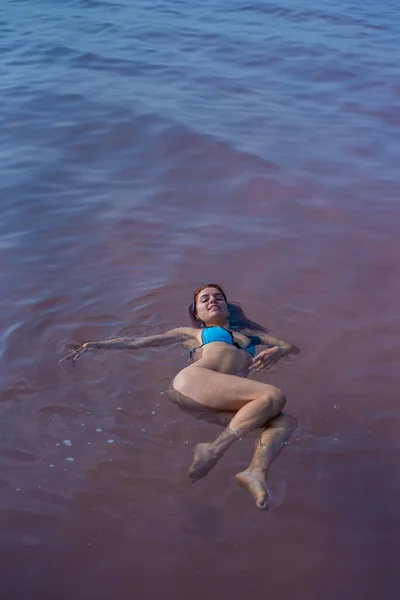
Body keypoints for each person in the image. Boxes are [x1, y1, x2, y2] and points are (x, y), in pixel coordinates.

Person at [61, 284, 299, 510]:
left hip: (213, 400)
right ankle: (213, 450)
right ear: (197, 313)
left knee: (283, 422)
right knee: (272, 395)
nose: (212, 300)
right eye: (204, 299)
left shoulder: (250, 335)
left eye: (218, 297)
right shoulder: (191, 333)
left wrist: (279, 350)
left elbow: (291, 347)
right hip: (193, 382)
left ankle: (254, 472)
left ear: (227, 307)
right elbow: (138, 342)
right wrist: (94, 345)